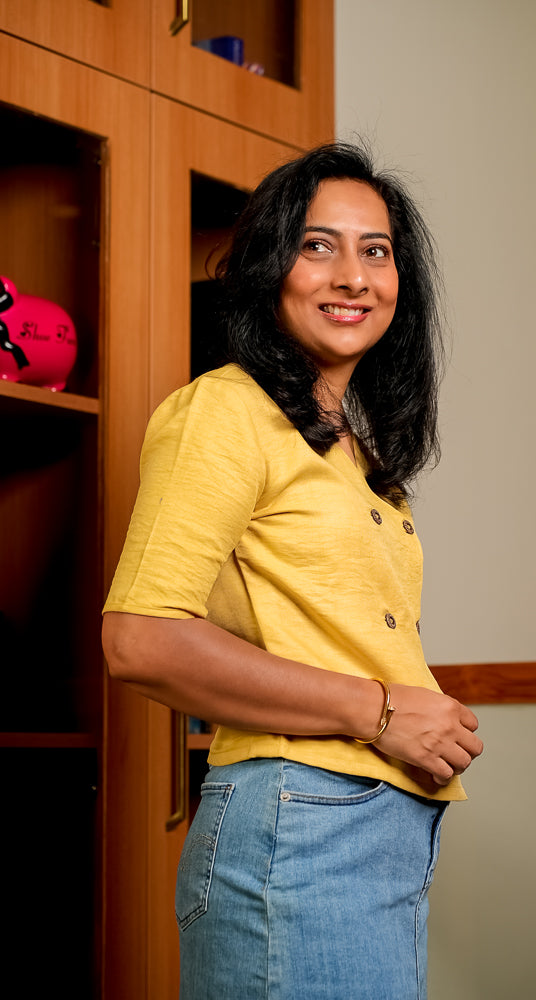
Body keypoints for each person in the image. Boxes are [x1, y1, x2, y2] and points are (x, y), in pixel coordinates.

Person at [102, 142, 483, 1000]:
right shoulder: (224, 411)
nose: (352, 275)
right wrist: (381, 709)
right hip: (299, 822)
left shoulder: (351, 447)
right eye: (318, 246)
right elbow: (139, 638)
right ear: (271, 267)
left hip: (369, 829)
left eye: (375, 251)